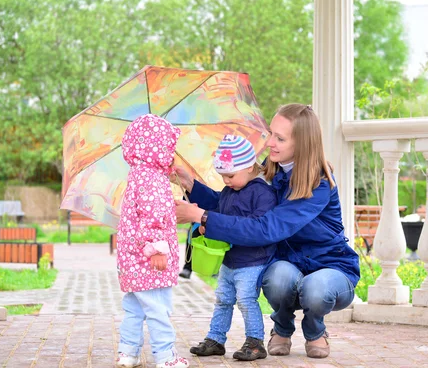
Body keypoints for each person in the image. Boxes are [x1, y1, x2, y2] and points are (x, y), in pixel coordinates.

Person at [172, 104, 360, 359]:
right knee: (276, 276)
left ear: (302, 144)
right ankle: (282, 326)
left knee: (314, 289)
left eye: (280, 138)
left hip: (330, 266)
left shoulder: (319, 184)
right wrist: (191, 185)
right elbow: (232, 205)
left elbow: (267, 229)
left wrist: (201, 216)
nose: (269, 142)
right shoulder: (271, 169)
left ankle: (315, 331)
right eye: (271, 133)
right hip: (290, 263)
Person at [188, 134, 278, 361]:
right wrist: (206, 225)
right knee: (223, 299)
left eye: (230, 175)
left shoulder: (262, 193)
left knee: (246, 300)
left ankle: (255, 341)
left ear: (249, 167)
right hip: (229, 260)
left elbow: (256, 227)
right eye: (223, 176)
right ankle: (215, 339)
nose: (226, 181)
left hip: (252, 261)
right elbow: (219, 215)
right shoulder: (229, 191)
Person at [115, 114, 189, 368]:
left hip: (132, 260)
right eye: (169, 146)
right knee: (158, 307)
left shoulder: (137, 174)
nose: (172, 151)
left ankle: (128, 353)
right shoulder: (153, 179)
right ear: (157, 148)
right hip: (150, 260)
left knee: (135, 307)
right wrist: (157, 249)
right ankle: (165, 356)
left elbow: (146, 213)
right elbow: (153, 216)